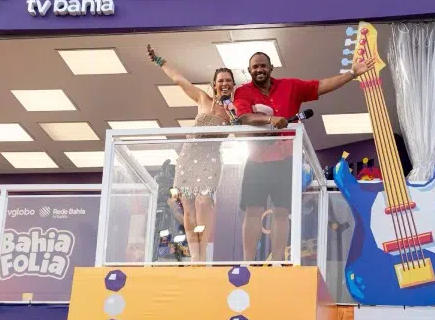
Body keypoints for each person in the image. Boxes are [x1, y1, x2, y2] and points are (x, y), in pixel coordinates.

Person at [233, 51, 375, 262]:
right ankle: (247, 263)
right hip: (256, 159)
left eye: (263, 65)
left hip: (286, 160)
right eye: (255, 67)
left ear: (271, 68)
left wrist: (352, 73)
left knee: (282, 212)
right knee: (253, 211)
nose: (259, 70)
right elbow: (243, 117)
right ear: (249, 70)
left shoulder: (290, 86)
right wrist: (270, 119)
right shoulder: (243, 91)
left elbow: (321, 86)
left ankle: (278, 262)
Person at [147, 44, 235, 262]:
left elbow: (245, 125)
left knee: (203, 202)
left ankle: (202, 253)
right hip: (188, 157)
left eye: (228, 80)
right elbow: (179, 80)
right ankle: (195, 255)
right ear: (214, 84)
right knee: (188, 206)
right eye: (220, 80)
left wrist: (233, 112)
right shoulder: (203, 99)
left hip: (211, 159)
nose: (224, 83)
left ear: (233, 85)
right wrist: (160, 61)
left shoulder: (235, 108)